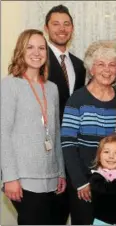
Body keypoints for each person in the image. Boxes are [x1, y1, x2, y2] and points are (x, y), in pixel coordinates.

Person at [1, 29, 66, 225]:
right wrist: (9, 177)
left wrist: (60, 171)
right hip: (23, 178)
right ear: (20, 50)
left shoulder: (52, 88)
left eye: (41, 48)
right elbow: (3, 133)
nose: (36, 53)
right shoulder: (10, 85)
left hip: (51, 177)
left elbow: (54, 135)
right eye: (30, 47)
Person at [61, 40, 116, 224]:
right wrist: (80, 182)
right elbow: (68, 144)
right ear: (91, 69)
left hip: (113, 184)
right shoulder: (77, 99)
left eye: (112, 64)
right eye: (101, 64)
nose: (107, 69)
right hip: (84, 185)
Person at [44, 5, 86, 223]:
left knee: (68, 211)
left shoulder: (79, 65)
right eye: (56, 24)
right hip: (45, 151)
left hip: (72, 150)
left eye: (66, 24)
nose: (62, 29)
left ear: (73, 28)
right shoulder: (38, 60)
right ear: (46, 28)